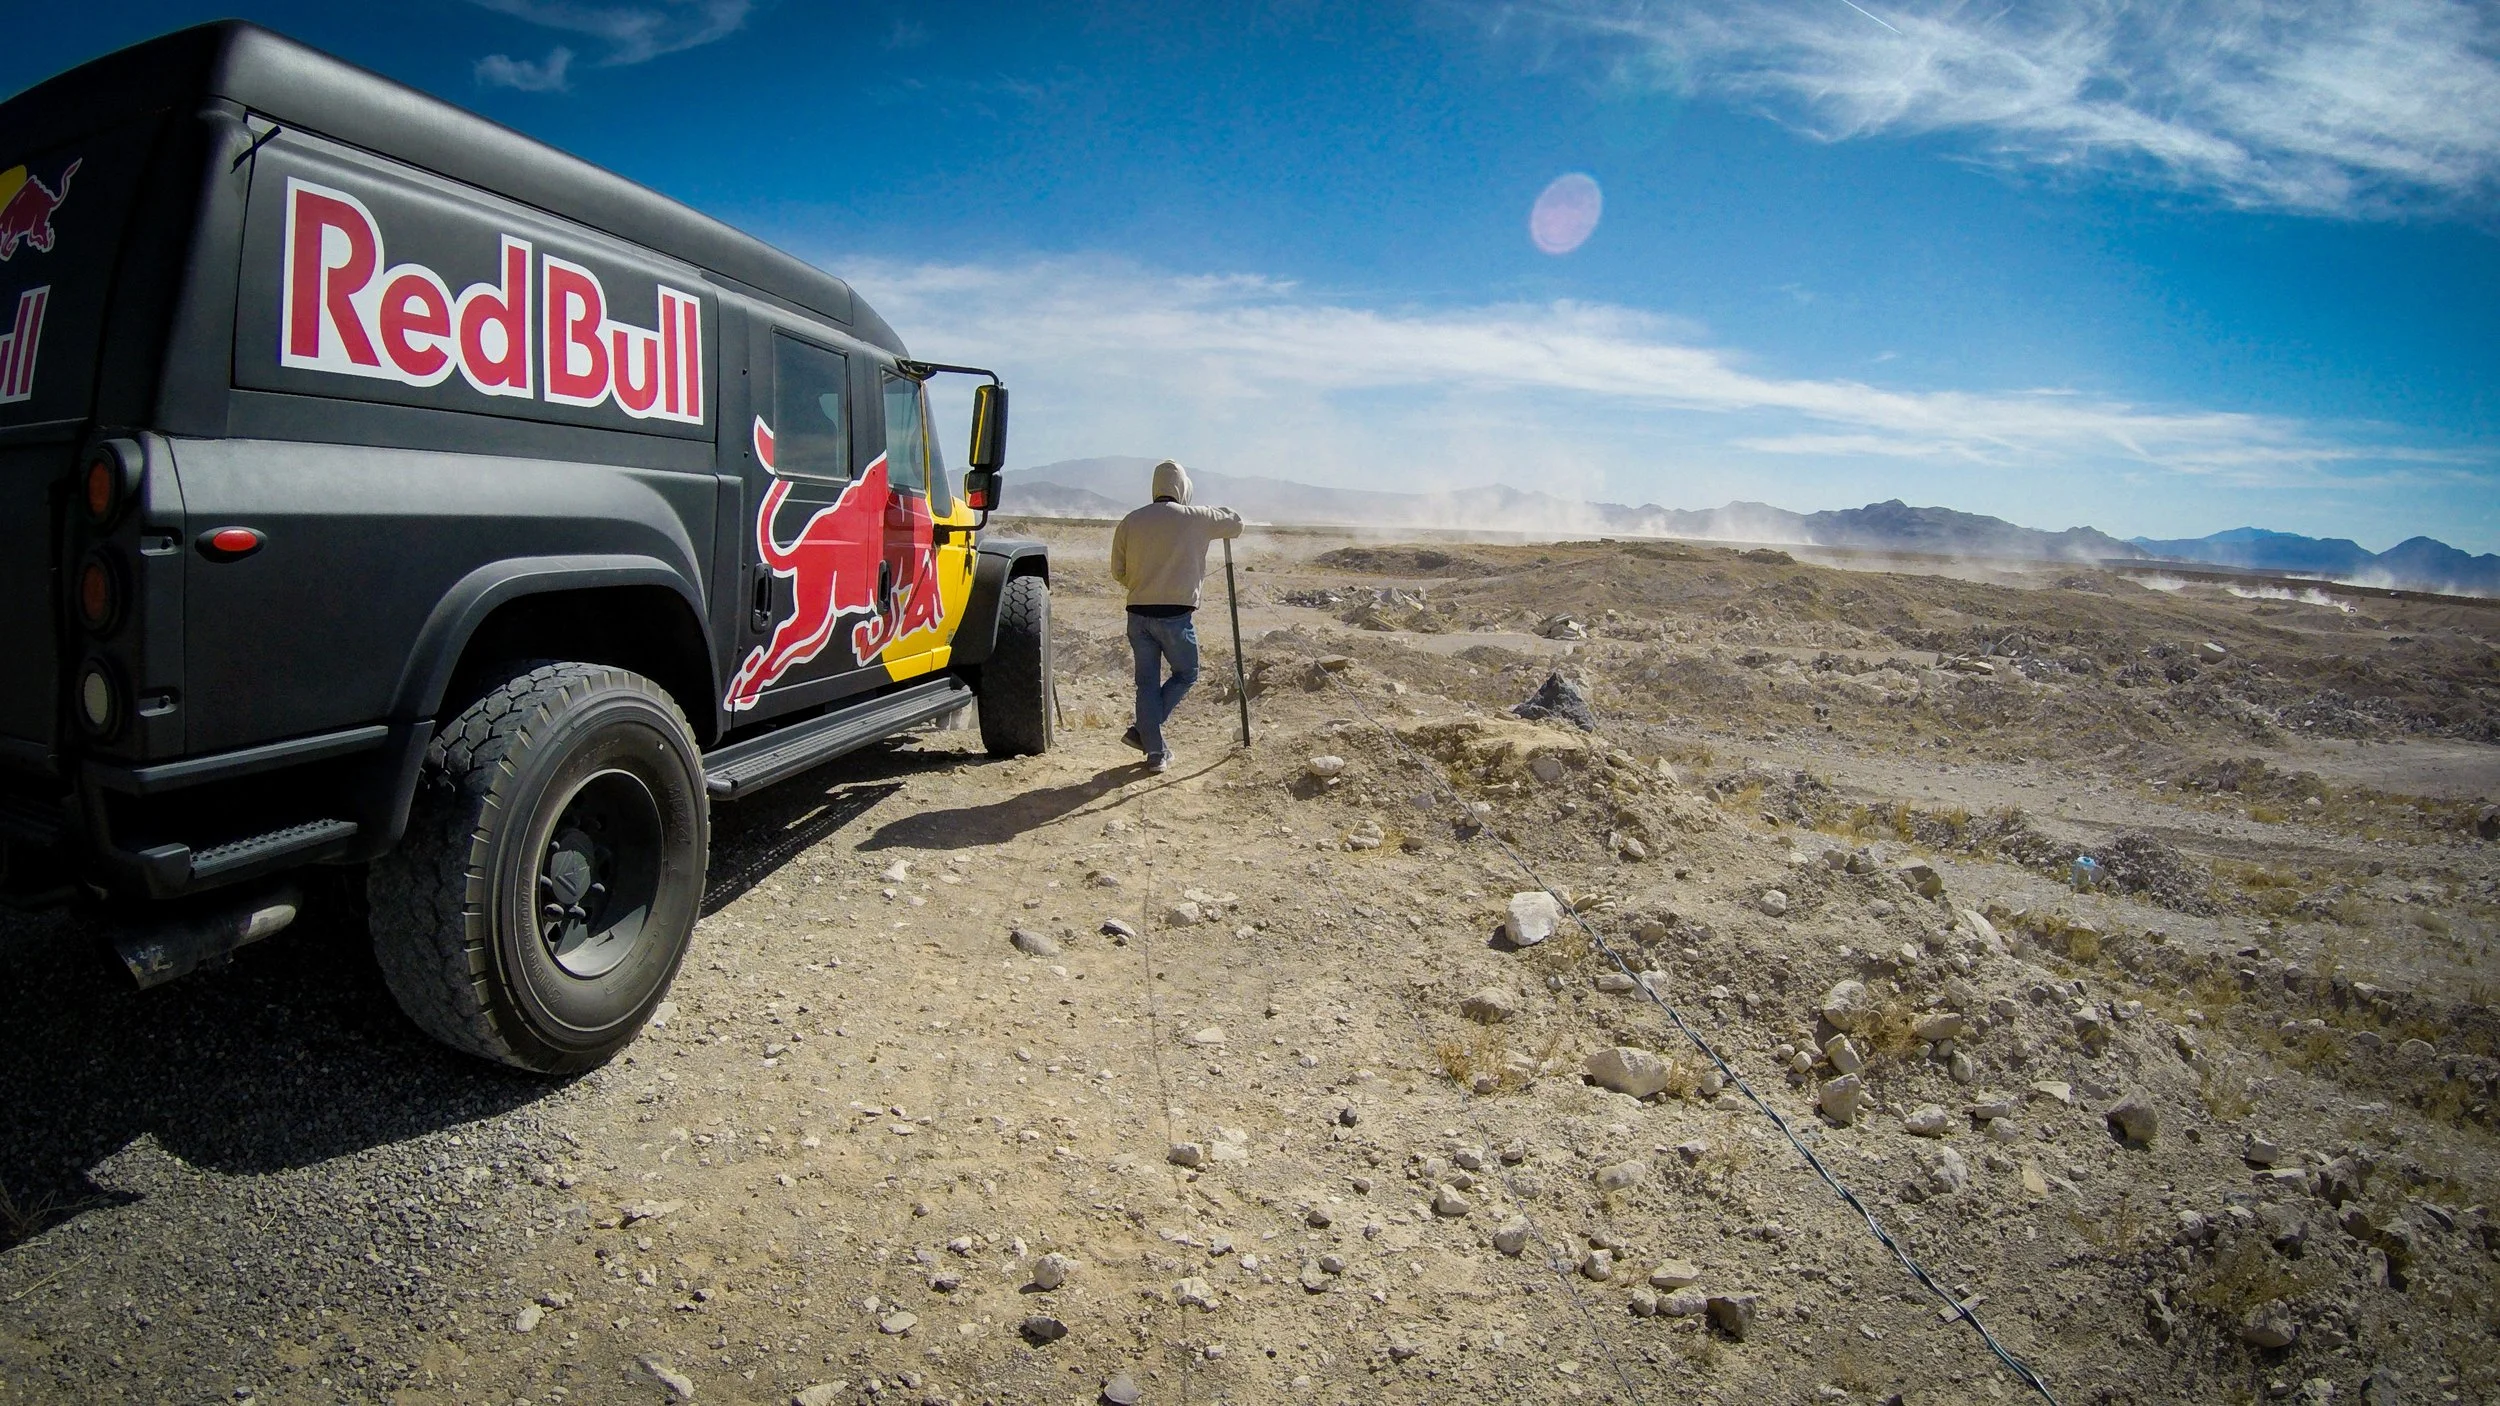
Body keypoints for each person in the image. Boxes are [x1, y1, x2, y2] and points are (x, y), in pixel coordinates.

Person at [1108, 460, 1242, 772]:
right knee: (1187, 673)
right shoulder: (1197, 517)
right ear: (1183, 487)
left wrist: (1143, 584)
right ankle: (1144, 732)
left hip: (1138, 614)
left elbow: (1118, 571)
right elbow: (1236, 523)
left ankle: (1154, 751)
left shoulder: (1131, 520)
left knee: (1146, 684)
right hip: (1175, 617)